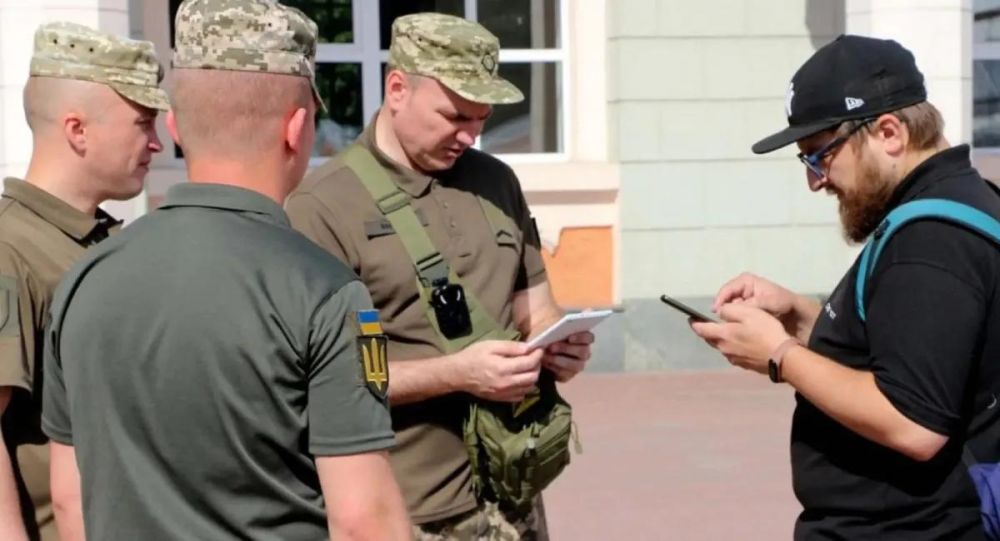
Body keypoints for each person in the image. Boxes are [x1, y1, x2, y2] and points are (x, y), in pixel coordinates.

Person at [40, 1, 410, 540]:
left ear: (174, 126)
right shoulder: (325, 292)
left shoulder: (85, 278)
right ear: (297, 128)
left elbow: (71, 500)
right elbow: (364, 522)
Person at [286, 12, 593, 540]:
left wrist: (558, 343)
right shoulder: (323, 205)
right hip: (408, 512)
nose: (470, 136)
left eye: (482, 119)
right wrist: (457, 373)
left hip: (512, 493)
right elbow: (324, 381)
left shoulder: (496, 181)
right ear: (397, 89)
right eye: (454, 116)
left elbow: (536, 308)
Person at [690, 34, 1000, 539]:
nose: (816, 180)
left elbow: (912, 423)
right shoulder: (961, 204)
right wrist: (803, 318)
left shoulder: (931, 240)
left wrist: (780, 355)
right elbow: (911, 350)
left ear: (889, 133)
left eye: (820, 155)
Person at [0, 22, 168, 541]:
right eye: (142, 123)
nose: (157, 143)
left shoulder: (105, 243)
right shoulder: (10, 248)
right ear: (78, 130)